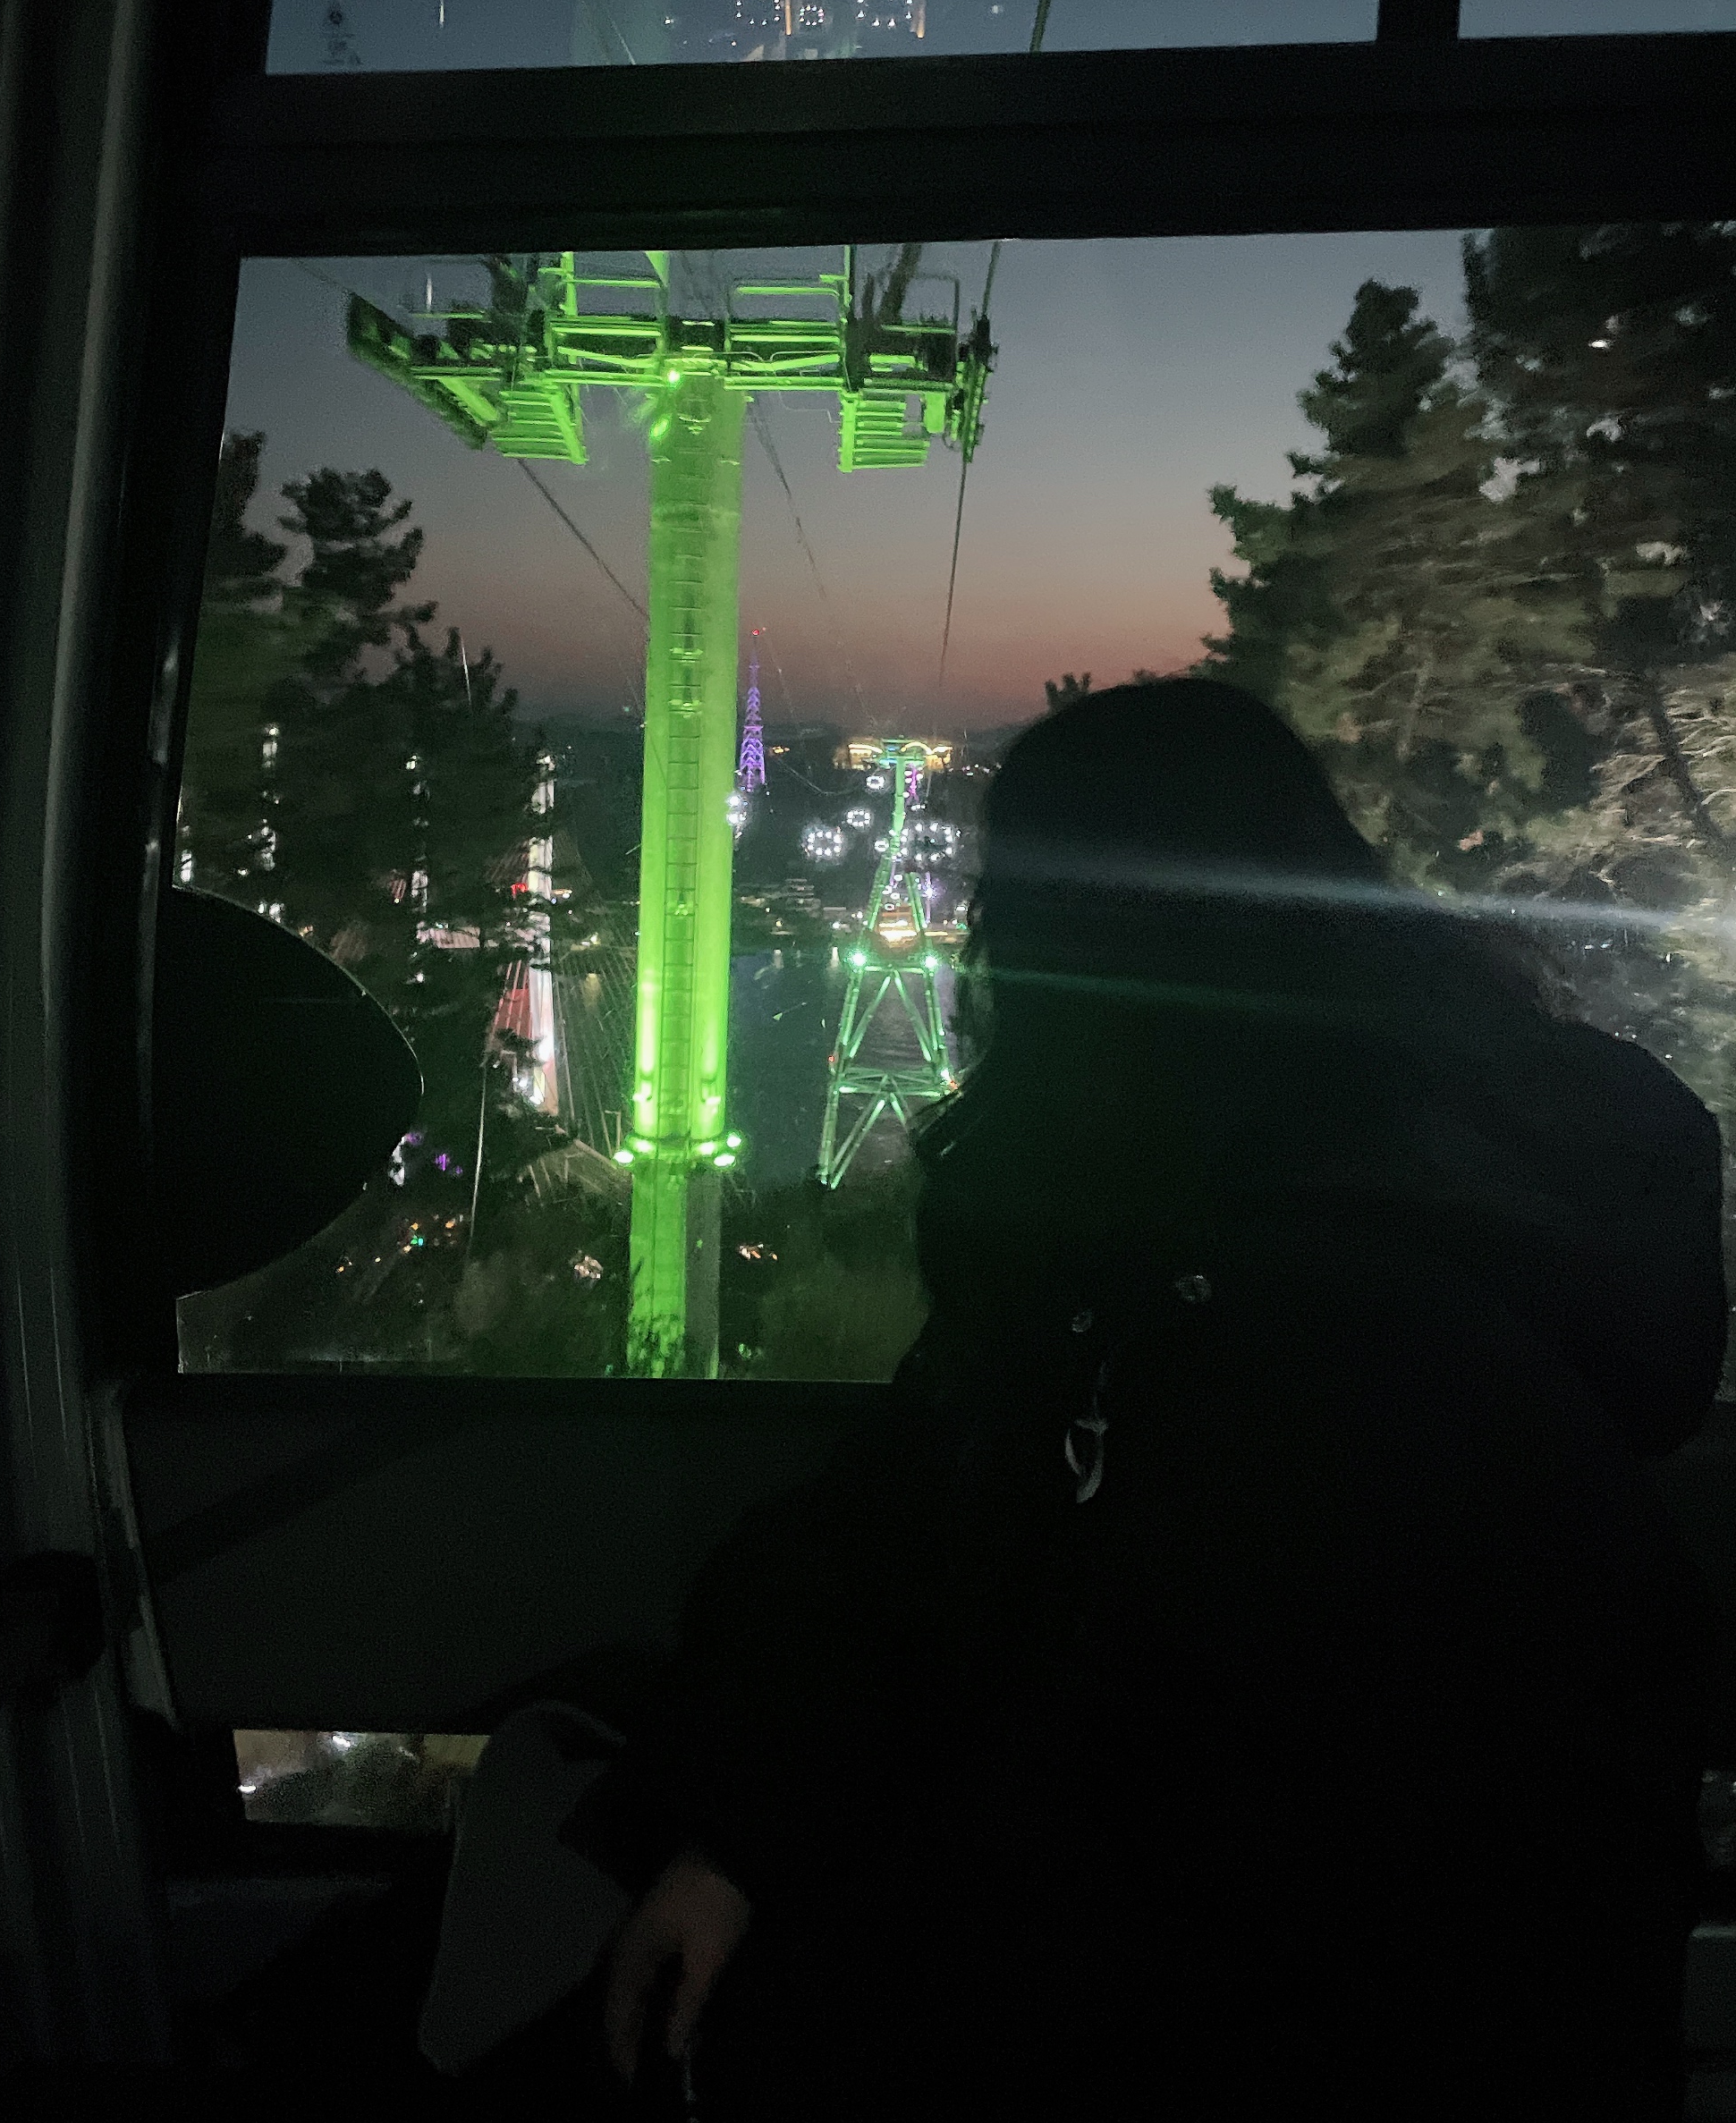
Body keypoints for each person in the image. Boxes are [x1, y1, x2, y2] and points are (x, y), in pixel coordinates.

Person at [572, 680, 1726, 2120]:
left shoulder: (1161, 1234)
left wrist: (743, 1829)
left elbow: (965, 1555)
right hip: (1531, 1983)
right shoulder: (1529, 1170)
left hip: (1237, 1991)